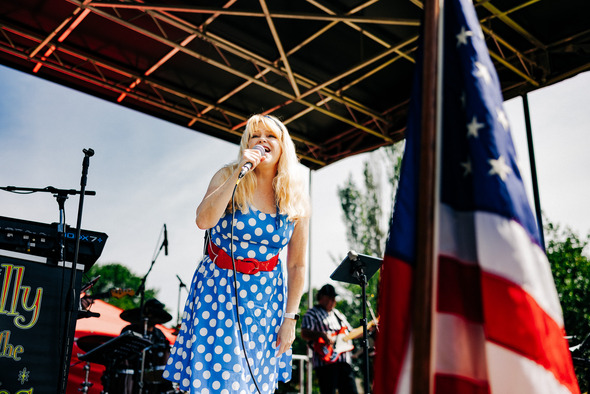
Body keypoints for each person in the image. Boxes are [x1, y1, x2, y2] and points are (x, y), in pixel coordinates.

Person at [163, 114, 310, 393]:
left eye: (270, 136)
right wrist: (238, 173)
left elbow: (298, 266)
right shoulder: (228, 175)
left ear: (283, 146)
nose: (262, 140)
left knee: (253, 380)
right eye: (255, 136)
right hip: (218, 290)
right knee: (216, 378)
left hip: (265, 299)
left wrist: (290, 318)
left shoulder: (295, 195)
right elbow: (203, 221)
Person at [301, 284, 359, 394]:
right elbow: (304, 333)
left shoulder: (337, 314)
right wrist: (321, 335)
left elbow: (351, 332)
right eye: (329, 297)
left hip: (343, 362)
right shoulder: (312, 313)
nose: (332, 301)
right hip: (325, 362)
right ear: (321, 297)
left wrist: (368, 329)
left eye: (334, 298)